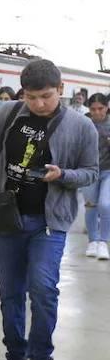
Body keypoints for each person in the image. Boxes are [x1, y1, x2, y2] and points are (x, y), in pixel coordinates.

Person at [0, 60, 97, 360]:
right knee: (10, 292)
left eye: (47, 96)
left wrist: (63, 175)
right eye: (32, 97)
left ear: (62, 90)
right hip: (6, 218)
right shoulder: (8, 115)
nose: (39, 104)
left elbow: (91, 172)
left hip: (49, 223)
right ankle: (15, 356)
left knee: (43, 289)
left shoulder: (82, 128)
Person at [82, 93, 110, 259]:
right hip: (90, 171)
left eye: (100, 108)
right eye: (93, 109)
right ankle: (93, 240)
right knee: (91, 205)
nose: (97, 112)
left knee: (106, 204)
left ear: (107, 107)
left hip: (108, 171)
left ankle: (103, 242)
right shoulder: (85, 125)